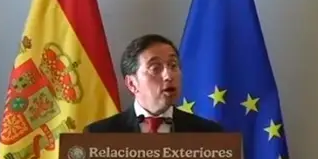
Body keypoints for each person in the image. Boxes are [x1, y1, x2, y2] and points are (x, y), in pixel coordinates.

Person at [84, 34, 224, 133]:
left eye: (173, 65)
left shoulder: (208, 133)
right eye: (155, 68)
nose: (168, 76)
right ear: (132, 84)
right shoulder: (100, 135)